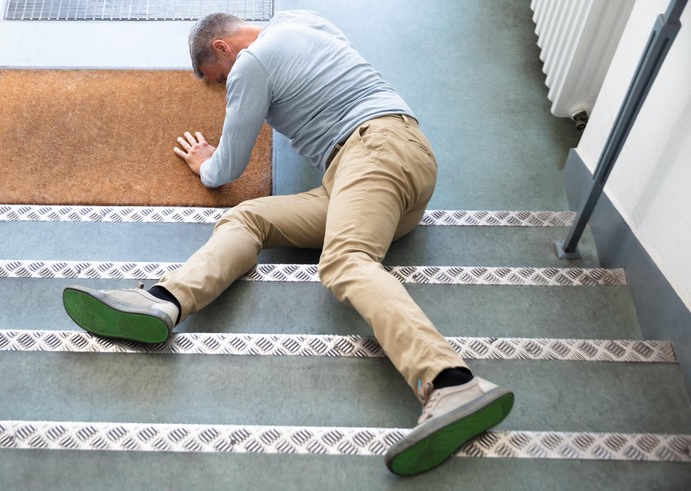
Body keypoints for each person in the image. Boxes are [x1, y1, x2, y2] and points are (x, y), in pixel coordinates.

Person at [62, 10, 514, 475]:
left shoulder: (252, 63)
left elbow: (227, 168)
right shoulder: (301, 20)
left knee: (346, 262)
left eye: (218, 80)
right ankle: (163, 299)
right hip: (383, 170)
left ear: (222, 49)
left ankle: (450, 381)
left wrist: (203, 161)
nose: (225, 87)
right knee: (250, 218)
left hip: (373, 149)